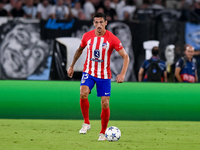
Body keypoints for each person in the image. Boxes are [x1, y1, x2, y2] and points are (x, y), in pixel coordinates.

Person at [67, 13, 129, 141]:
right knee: (83, 92)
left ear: (106, 23)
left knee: (105, 103)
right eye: (96, 22)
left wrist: (122, 73)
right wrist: (72, 65)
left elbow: (126, 56)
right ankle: (86, 123)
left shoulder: (112, 39)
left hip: (104, 75)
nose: (98, 25)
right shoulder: (87, 36)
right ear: (93, 23)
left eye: (101, 22)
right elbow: (79, 50)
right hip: (89, 72)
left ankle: (102, 132)